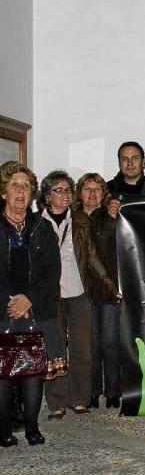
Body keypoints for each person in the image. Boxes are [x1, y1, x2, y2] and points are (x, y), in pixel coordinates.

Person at [38, 170, 117, 420]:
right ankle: (56, 401)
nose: (64, 194)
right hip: (50, 295)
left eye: (68, 190)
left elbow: (92, 256)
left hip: (79, 291)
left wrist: (110, 284)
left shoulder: (80, 220)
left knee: (82, 347)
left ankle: (80, 398)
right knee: (55, 348)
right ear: (47, 195)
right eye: (58, 190)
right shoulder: (37, 221)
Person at [0, 162, 61, 447]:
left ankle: (32, 428)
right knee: (3, 374)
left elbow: (52, 272)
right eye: (14, 185)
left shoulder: (42, 227)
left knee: (32, 371)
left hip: (36, 309)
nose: (21, 191)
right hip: (3, 309)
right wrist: (11, 302)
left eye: (26, 186)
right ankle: (3, 430)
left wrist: (29, 299)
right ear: (3, 192)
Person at [76, 174, 121, 409]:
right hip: (83, 291)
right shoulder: (73, 219)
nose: (92, 193)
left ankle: (113, 391)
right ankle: (91, 391)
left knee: (111, 343)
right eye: (87, 189)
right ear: (79, 193)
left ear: (104, 193)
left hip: (110, 290)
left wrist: (114, 219)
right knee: (90, 345)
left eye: (97, 189)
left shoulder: (112, 216)